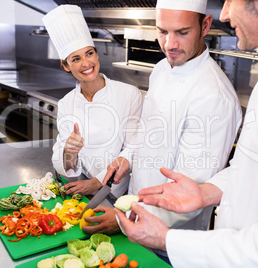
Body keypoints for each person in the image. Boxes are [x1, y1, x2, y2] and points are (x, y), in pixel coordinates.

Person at [115, 0, 258, 266]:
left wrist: (167, 239)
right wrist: (206, 192)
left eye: (231, 0)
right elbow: (252, 167)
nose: (226, 13)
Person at [103, 0, 242, 241]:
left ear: (205, 25)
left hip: (169, 237)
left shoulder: (214, 96)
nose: (170, 44)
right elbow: (148, 130)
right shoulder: (161, 69)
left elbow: (188, 191)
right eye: (162, 31)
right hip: (135, 214)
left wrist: (122, 219)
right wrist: (127, 157)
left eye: (182, 32)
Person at [43, 5, 143, 229]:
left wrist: (97, 183)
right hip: (82, 192)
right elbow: (65, 164)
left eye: (89, 53)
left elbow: (134, 148)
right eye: (76, 58)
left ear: (97, 53)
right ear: (65, 65)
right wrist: (69, 152)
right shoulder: (67, 103)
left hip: (119, 197)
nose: (86, 63)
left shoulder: (128, 95)